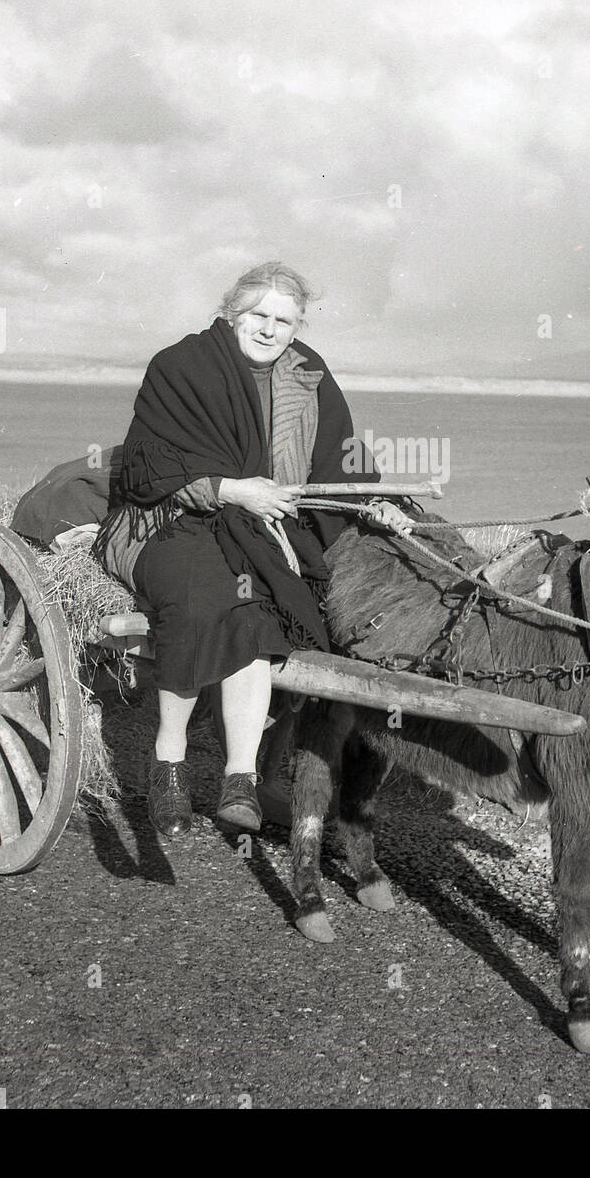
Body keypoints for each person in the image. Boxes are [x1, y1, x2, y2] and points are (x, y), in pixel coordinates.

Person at [93, 262, 377, 838]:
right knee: (200, 599)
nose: (270, 330)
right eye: (259, 315)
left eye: (284, 321)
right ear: (232, 313)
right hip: (172, 519)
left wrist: (378, 507)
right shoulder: (181, 367)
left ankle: (240, 780)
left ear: (297, 328)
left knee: (259, 611)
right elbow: (150, 467)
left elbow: (343, 462)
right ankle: (169, 761)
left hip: (262, 530)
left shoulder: (308, 375)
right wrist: (229, 489)